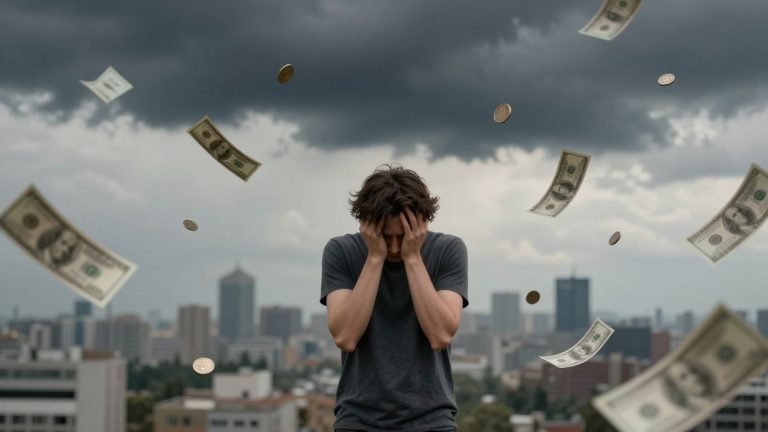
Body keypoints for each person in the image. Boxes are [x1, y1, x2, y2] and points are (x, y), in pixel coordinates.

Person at [321, 164, 468, 432]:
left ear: (423, 222)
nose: (393, 247)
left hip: (432, 421)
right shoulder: (341, 251)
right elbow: (345, 337)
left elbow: (441, 335)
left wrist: (413, 258)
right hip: (358, 421)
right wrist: (374, 258)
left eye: (402, 236)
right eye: (384, 236)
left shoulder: (448, 250)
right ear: (365, 223)